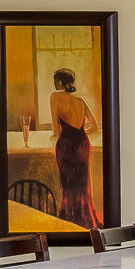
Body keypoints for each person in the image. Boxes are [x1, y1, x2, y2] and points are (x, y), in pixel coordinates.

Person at [48, 68, 102, 229]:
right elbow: (95, 127)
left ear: (59, 82)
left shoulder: (54, 97)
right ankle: (86, 219)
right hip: (83, 144)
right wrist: (79, 132)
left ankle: (69, 219)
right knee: (82, 184)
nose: (53, 83)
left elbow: (56, 131)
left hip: (67, 145)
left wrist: (57, 137)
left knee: (68, 184)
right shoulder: (80, 101)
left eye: (55, 80)